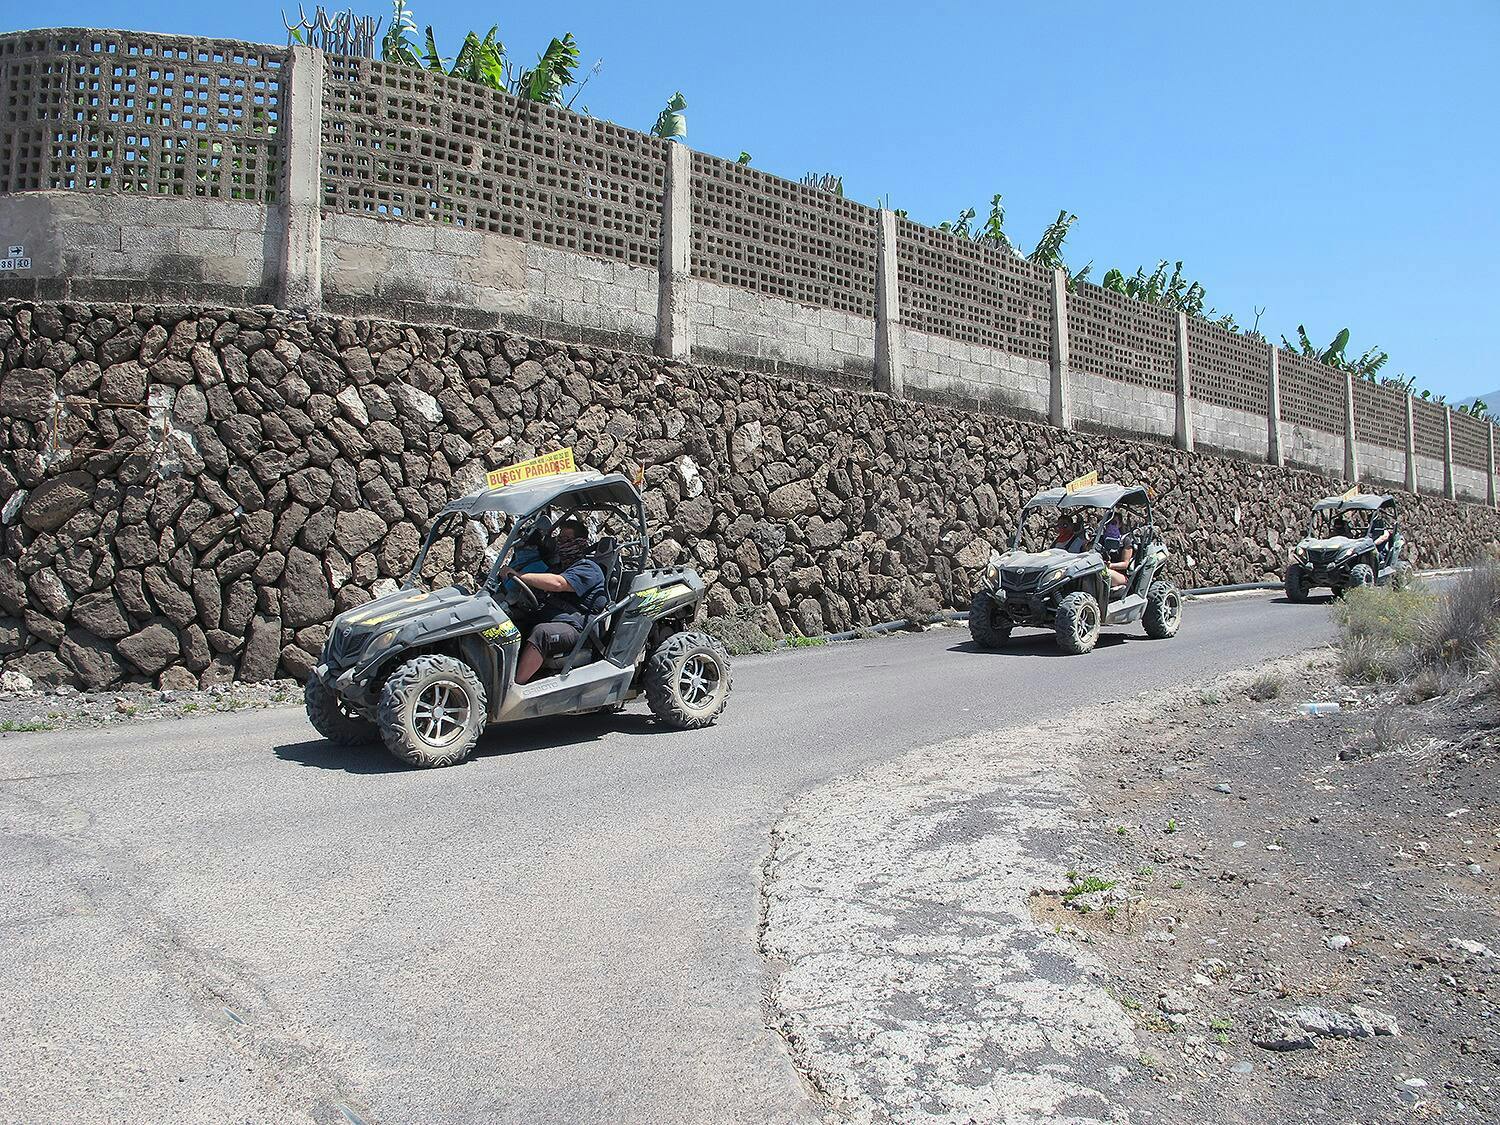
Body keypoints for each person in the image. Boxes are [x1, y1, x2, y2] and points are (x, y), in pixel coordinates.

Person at [497, 518, 607, 684]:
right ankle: (496, 678)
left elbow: (558, 584)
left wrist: (520, 576)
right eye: (560, 539)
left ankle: (514, 689)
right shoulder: (559, 567)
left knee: (542, 633)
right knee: (511, 624)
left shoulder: (589, 568)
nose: (562, 544)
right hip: (555, 618)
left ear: (581, 543)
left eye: (567, 540)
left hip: (579, 628)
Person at [1099, 510, 1135, 591]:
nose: (1110, 525)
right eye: (1108, 522)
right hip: (1100, 568)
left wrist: (1110, 565)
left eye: (1114, 523)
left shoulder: (1125, 540)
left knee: (1105, 573)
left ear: (1120, 524)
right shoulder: (1100, 539)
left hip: (1120, 575)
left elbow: (1125, 564)